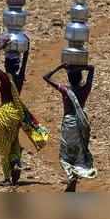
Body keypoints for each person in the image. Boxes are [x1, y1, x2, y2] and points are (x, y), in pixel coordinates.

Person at [43, 63, 97, 192]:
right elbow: (92, 68)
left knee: (65, 155)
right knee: (80, 152)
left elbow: (46, 77)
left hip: (69, 123)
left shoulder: (65, 90)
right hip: (81, 123)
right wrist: (79, 66)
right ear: (80, 78)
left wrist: (60, 67)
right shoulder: (85, 89)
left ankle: (71, 176)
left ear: (69, 79)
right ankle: (77, 174)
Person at [0, 36, 29, 187]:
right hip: (16, 114)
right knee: (14, 141)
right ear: (17, 66)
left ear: (5, 64)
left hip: (5, 113)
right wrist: (27, 49)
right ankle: (16, 161)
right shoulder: (19, 78)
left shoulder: (4, 77)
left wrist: (1, 47)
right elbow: (24, 63)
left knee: (4, 146)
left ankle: (6, 178)